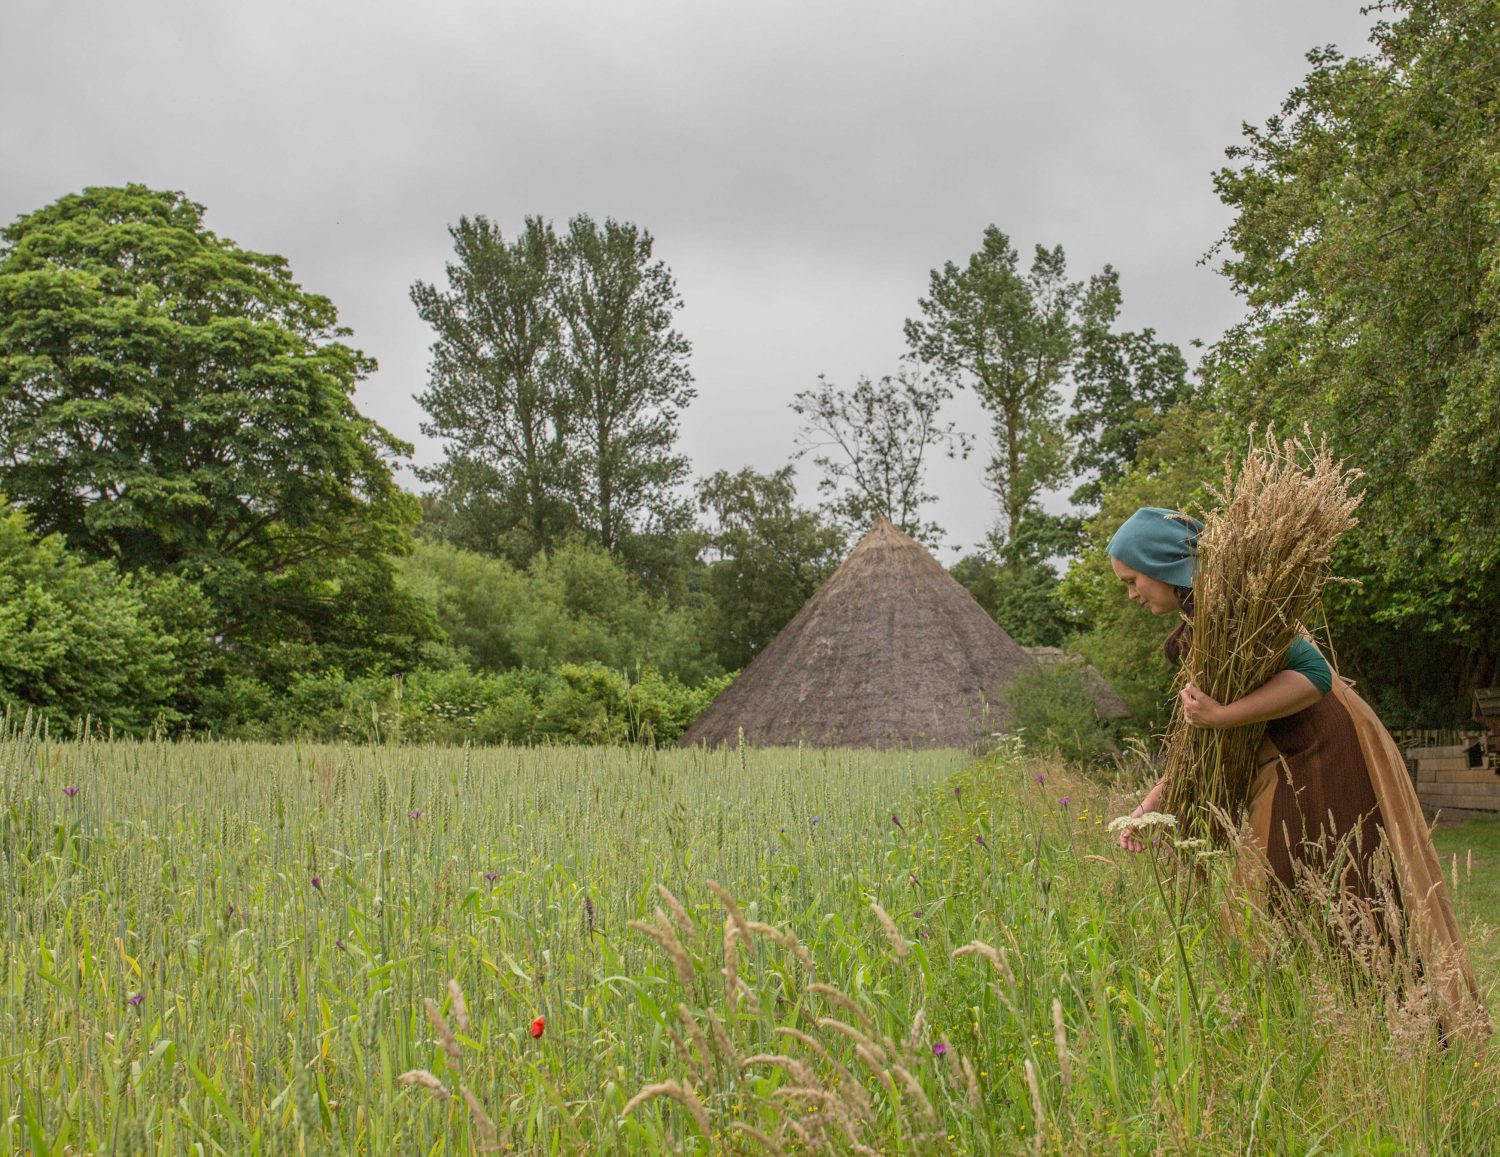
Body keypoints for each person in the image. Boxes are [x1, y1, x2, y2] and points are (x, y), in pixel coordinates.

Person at [1107, 506, 1485, 1034]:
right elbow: (1199, 746)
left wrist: (1223, 714)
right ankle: (1341, 1034)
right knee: (1287, 899)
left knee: (1327, 891)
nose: (1130, 593)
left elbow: (1313, 674)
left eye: (1132, 580)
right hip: (1290, 758)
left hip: (1320, 752)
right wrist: (1151, 806)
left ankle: (1405, 1033)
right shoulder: (1207, 624)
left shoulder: (1241, 612)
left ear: (1163, 563)